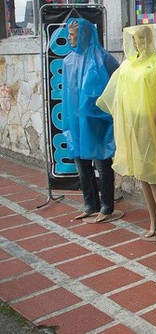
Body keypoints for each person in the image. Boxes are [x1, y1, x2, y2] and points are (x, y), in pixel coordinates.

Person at [96, 25, 156, 245]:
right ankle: (154, 222)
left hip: (152, 130)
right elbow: (115, 95)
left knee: (153, 177)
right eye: (133, 40)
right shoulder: (126, 67)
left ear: (149, 39)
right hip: (134, 129)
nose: (137, 43)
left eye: (141, 38)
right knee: (142, 176)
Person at [62, 18, 118, 222]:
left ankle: (107, 207)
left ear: (84, 34)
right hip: (77, 121)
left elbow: (116, 84)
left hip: (97, 121)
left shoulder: (103, 59)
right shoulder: (68, 61)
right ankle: (90, 204)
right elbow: (67, 93)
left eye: (72, 35)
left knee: (102, 163)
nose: (69, 38)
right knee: (81, 162)